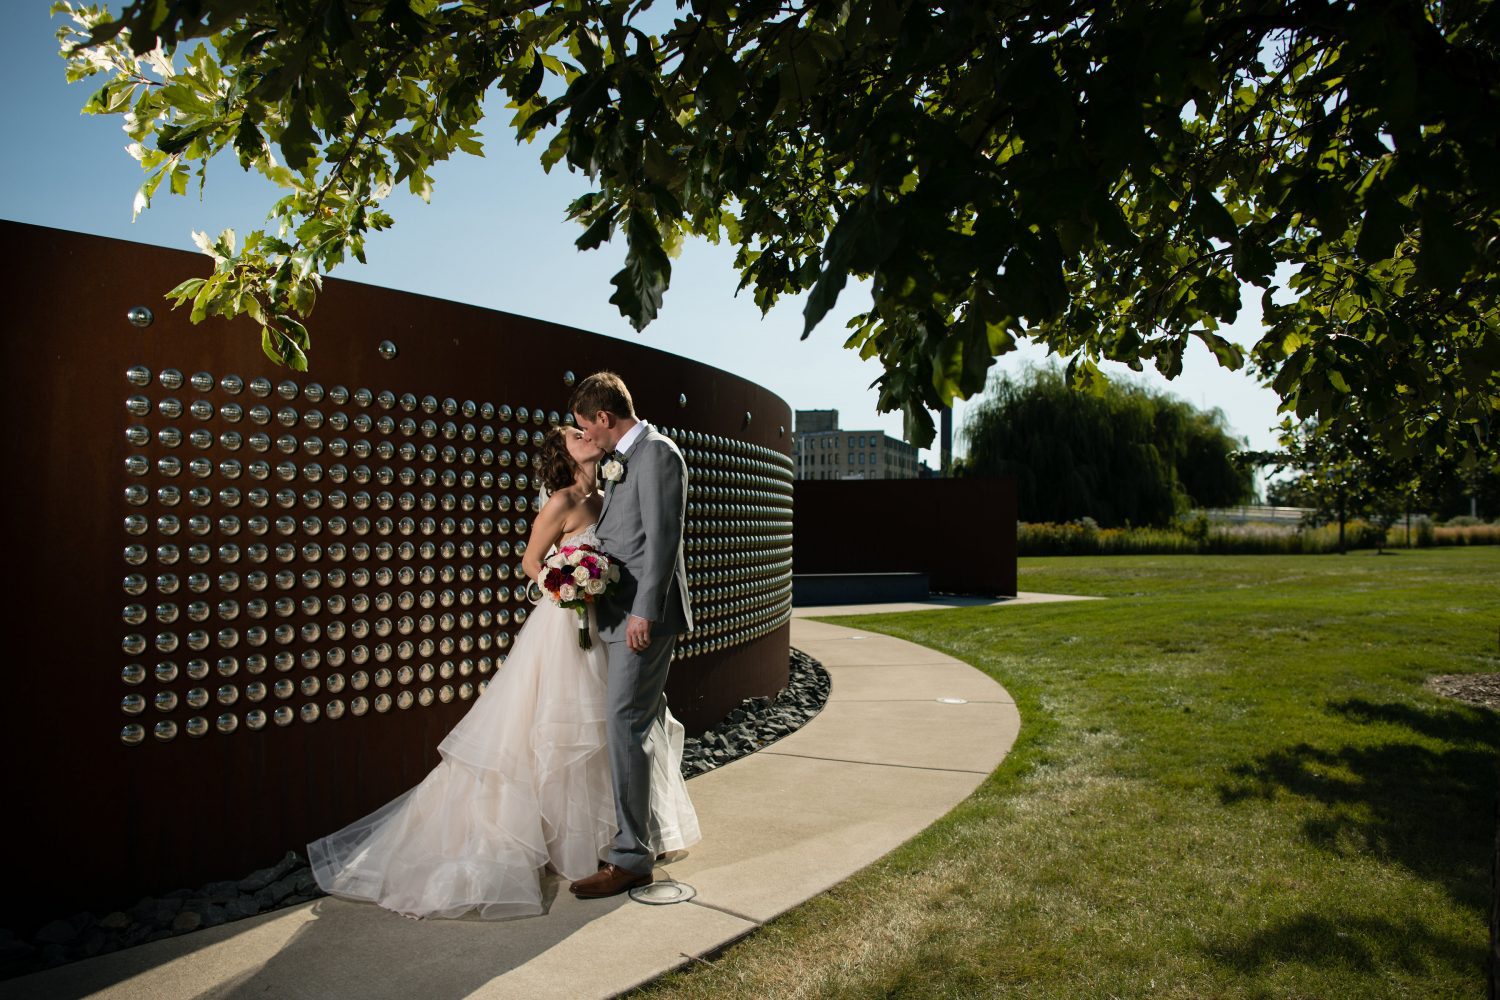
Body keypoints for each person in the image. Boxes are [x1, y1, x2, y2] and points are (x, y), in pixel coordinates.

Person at [306, 424, 699, 919]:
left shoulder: (609, 492)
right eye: (574, 434)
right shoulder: (560, 502)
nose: (583, 435)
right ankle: (562, 843)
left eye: (584, 428)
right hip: (563, 625)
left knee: (611, 726)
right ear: (563, 452)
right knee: (552, 728)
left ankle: (617, 837)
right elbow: (531, 562)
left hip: (606, 624)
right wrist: (564, 585)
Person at [565, 372, 695, 899]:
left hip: (643, 618)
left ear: (604, 417)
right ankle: (651, 834)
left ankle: (630, 858)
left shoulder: (659, 453)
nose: (586, 437)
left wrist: (644, 612)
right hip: (621, 614)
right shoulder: (620, 460)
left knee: (625, 724)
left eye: (585, 426)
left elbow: (663, 539)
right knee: (642, 724)